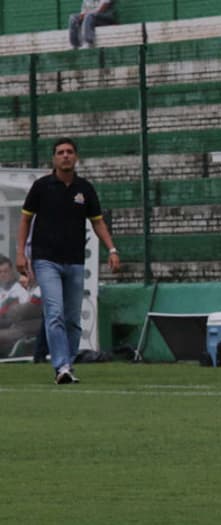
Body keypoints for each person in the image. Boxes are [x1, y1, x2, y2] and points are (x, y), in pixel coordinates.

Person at [17, 138, 121, 384]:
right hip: (46, 260)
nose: (65, 156)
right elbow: (25, 220)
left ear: (76, 157)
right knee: (54, 312)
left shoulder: (84, 189)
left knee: (73, 319)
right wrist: (21, 253)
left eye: (69, 152)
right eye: (60, 152)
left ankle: (68, 365)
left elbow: (97, 221)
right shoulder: (41, 187)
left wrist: (112, 249)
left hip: (74, 261)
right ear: (53, 158)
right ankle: (61, 366)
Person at [0, 257, 42, 355]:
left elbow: (18, 315)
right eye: (0, 272)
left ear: (12, 272)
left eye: (5, 271)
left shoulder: (20, 291)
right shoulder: (29, 289)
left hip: (17, 328)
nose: (2, 275)